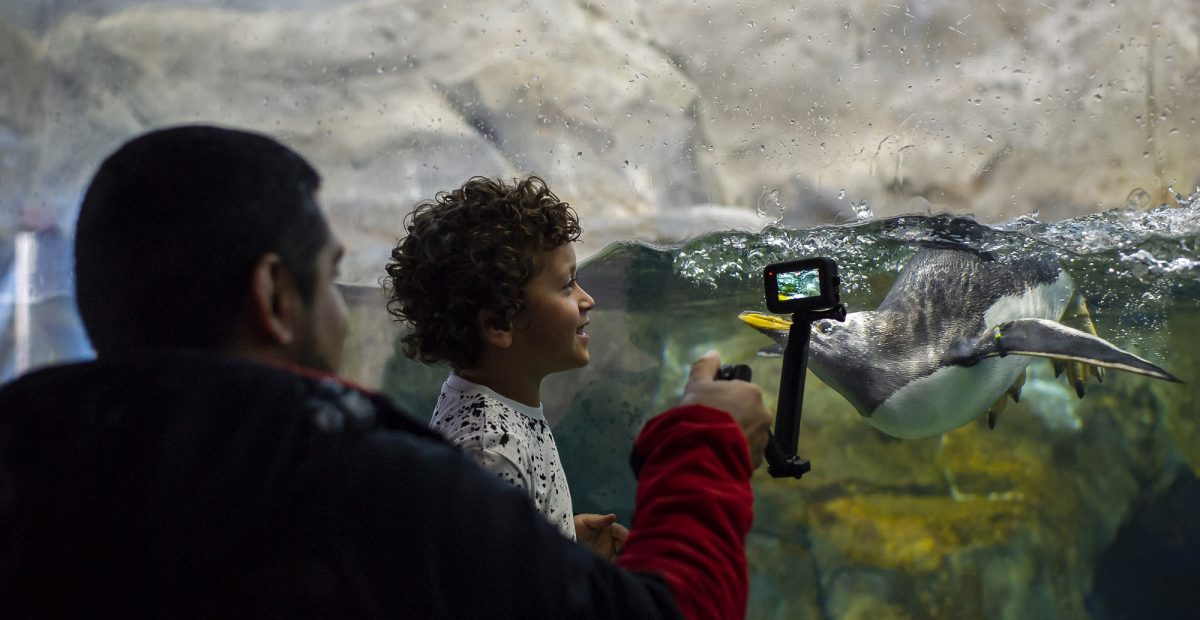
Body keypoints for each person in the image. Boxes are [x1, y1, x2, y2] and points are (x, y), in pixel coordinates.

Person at [0, 124, 772, 619]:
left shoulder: (36, 495)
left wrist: (540, 547)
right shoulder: (364, 493)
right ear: (274, 296)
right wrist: (704, 436)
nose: (344, 314)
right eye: (333, 277)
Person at [384, 176, 622, 555]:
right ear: (499, 324)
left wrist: (565, 549)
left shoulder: (492, 409)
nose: (586, 299)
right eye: (566, 286)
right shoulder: (490, 451)